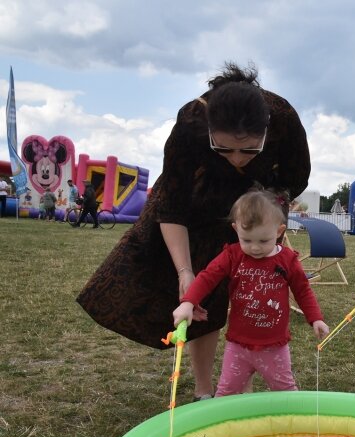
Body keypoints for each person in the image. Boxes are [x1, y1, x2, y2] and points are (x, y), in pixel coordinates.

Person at [76, 62, 311, 400]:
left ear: (266, 131)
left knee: (248, 291)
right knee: (200, 296)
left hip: (250, 206)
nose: (237, 159)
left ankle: (242, 379)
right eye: (224, 148)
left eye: (249, 150)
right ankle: (204, 392)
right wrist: (186, 271)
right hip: (195, 204)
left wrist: (265, 218)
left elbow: (295, 177)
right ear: (210, 130)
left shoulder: (283, 118)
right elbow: (172, 203)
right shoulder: (190, 122)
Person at [172, 190, 329, 396]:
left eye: (264, 241)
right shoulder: (232, 255)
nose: (255, 248)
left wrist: (315, 318)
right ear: (236, 229)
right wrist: (188, 302)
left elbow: (302, 290)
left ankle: (295, 427)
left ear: (279, 231)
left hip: (275, 348)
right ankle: (223, 428)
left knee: (286, 393)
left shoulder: (287, 260)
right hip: (238, 347)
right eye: (247, 240)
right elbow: (207, 277)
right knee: (226, 393)